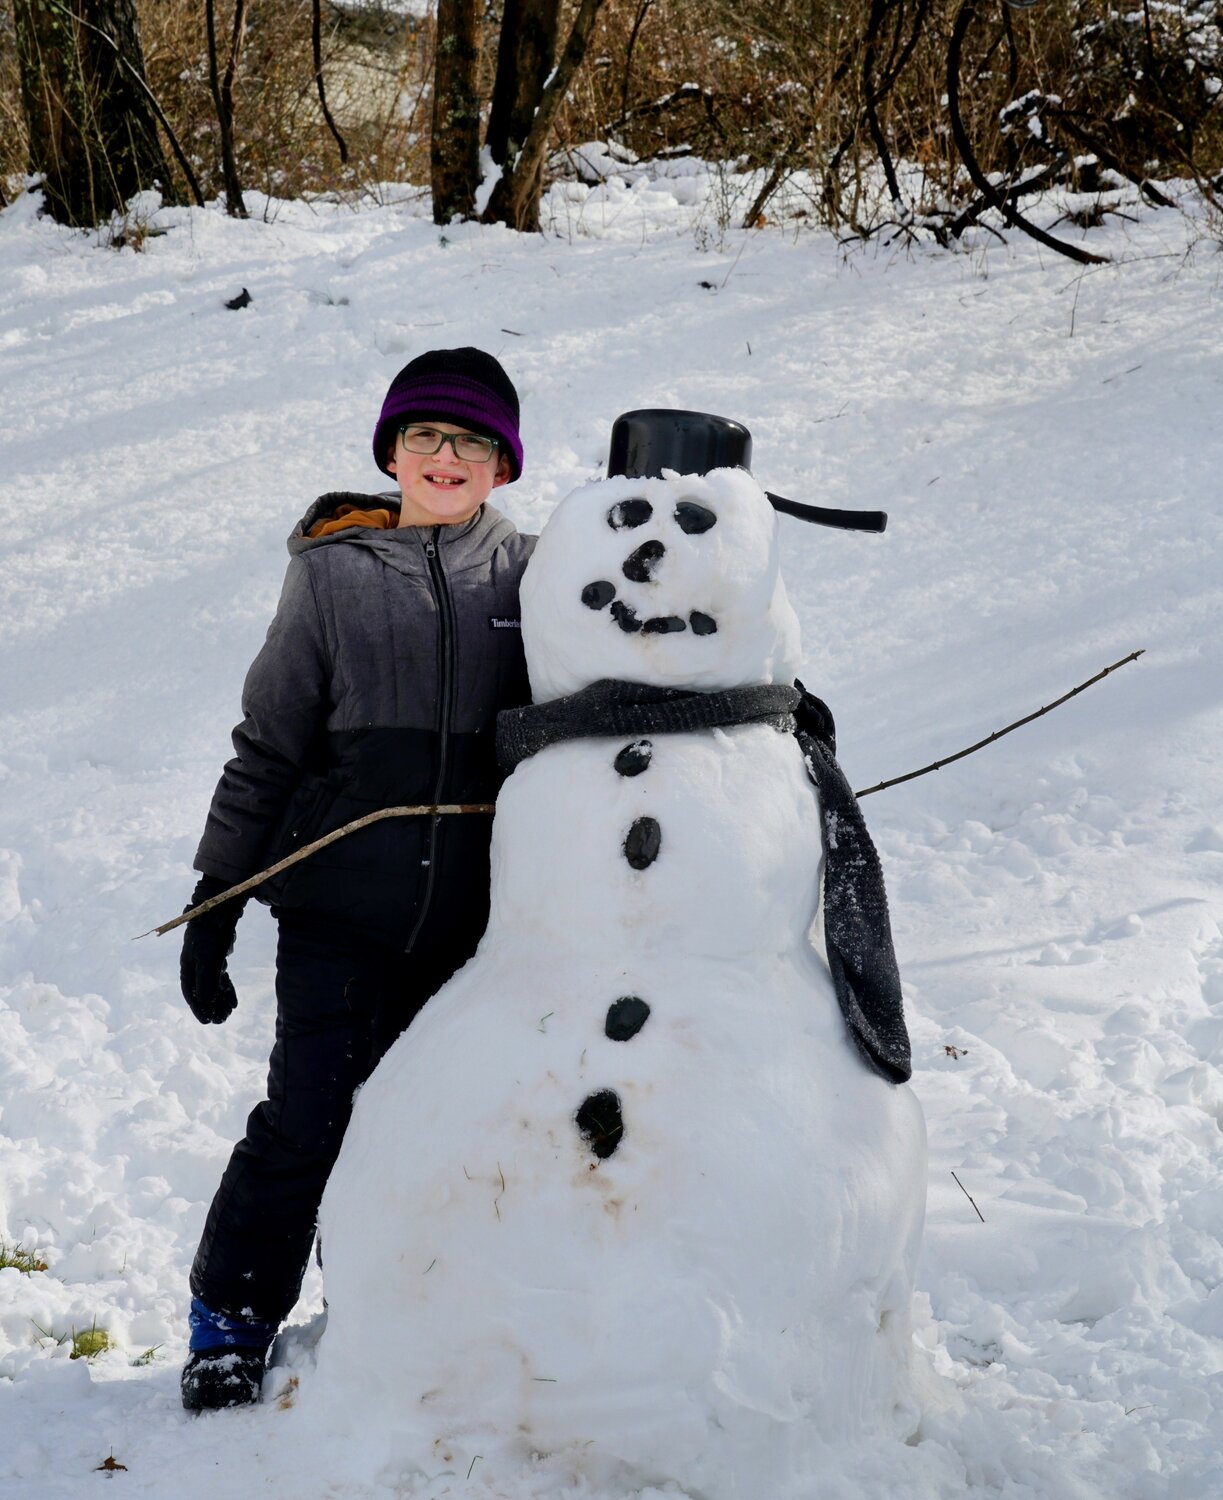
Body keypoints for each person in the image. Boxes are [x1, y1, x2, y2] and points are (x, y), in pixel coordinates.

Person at [177, 347, 536, 1411]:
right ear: (390, 449)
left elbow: (642, 650)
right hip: (339, 915)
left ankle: (399, 1305)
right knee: (310, 1118)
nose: (445, 455)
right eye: (425, 434)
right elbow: (268, 744)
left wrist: (776, 697)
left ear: (502, 464)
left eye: (471, 439)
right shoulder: (331, 574)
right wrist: (216, 900)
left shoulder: (537, 574)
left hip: (481, 924)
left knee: (450, 1127)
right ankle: (230, 1318)